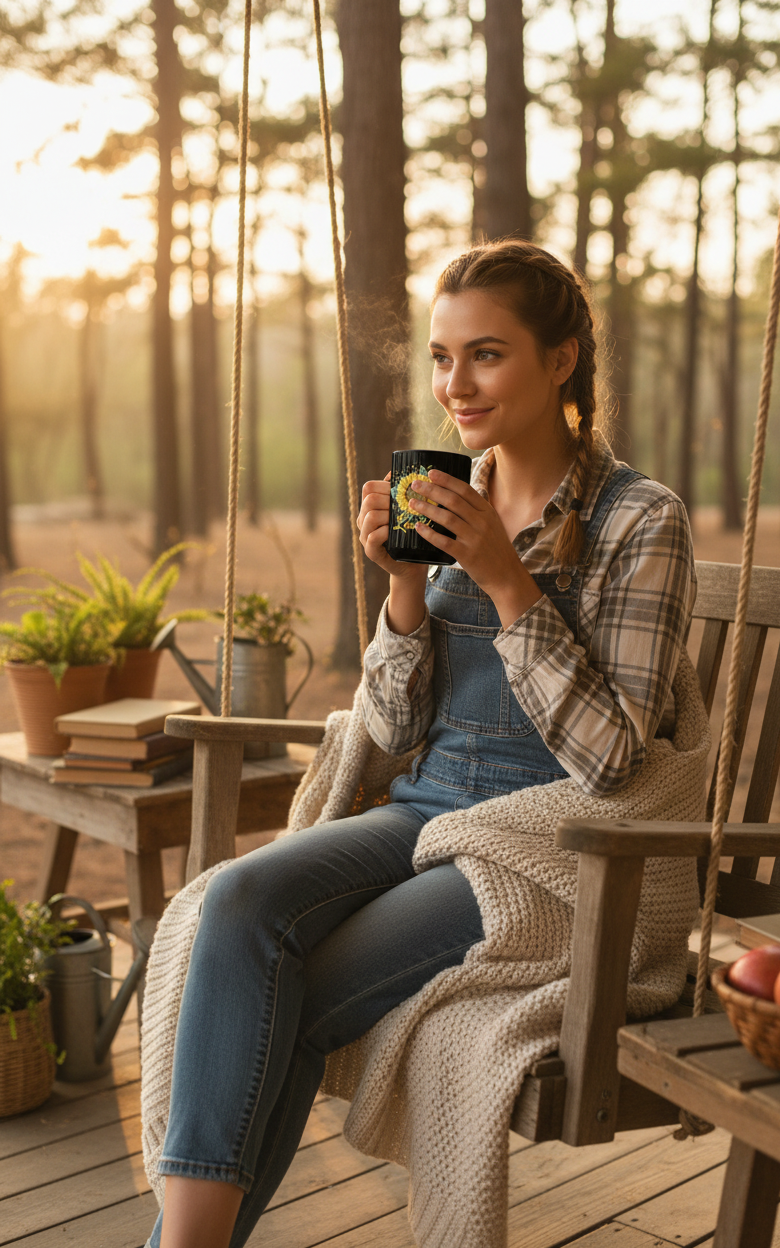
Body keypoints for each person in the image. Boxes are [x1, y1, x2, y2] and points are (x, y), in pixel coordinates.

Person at [148, 240, 695, 1248]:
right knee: (235, 901)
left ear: (561, 359)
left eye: (485, 355)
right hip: (423, 810)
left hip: (540, 846)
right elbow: (394, 732)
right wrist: (402, 594)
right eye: (442, 359)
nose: (456, 385)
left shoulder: (638, 521)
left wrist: (503, 577)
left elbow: (611, 762)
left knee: (294, 988)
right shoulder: (450, 498)